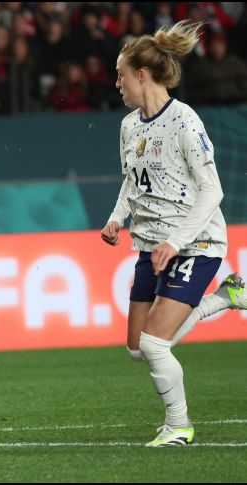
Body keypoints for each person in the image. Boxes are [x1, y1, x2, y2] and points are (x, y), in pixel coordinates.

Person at [101, 20, 247, 447]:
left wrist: (174, 242)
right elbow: (133, 180)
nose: (116, 84)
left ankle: (178, 425)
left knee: (154, 344)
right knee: (136, 347)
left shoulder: (184, 121)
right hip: (151, 244)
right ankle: (224, 299)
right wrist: (116, 218)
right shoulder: (130, 126)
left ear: (141, 75)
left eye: (120, 75)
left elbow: (213, 190)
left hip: (195, 243)